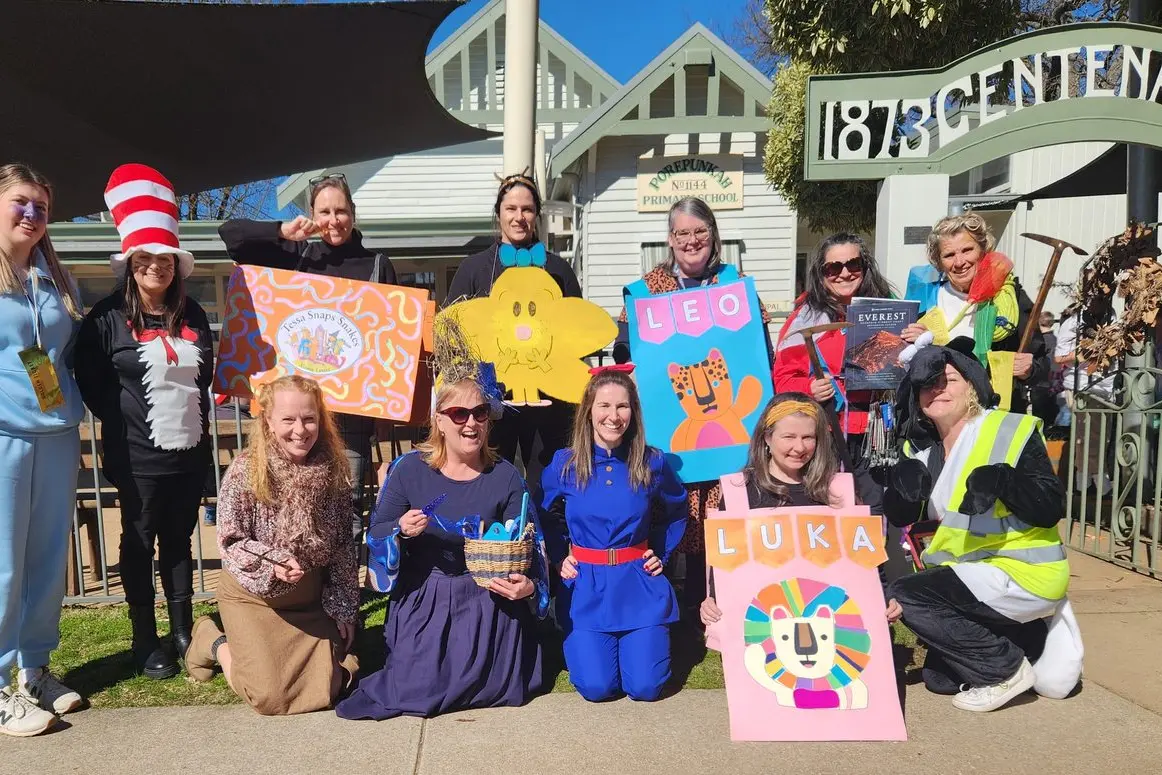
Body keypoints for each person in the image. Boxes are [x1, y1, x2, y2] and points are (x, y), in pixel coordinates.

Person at [884, 338, 1083, 712]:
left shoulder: (1009, 429)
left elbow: (1049, 508)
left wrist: (1005, 481)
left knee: (908, 594)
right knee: (939, 681)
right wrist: (900, 491)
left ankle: (1003, 670)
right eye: (927, 385)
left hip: (1026, 573)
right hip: (976, 577)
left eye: (949, 380)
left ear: (973, 385)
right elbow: (902, 518)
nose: (937, 391)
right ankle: (1028, 640)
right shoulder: (923, 451)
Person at [337, 374, 549, 721]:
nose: (471, 423)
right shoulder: (408, 471)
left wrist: (528, 587)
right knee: (415, 691)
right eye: (459, 414)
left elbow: (530, 543)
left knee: (502, 686)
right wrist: (399, 531)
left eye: (480, 413)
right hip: (427, 594)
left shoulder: (506, 476)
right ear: (439, 420)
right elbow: (376, 531)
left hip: (487, 596)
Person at [74, 164, 214, 680]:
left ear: (177, 266)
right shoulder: (106, 318)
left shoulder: (193, 315)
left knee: (180, 539)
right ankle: (143, 637)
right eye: (146, 259)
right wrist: (121, 420)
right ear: (130, 263)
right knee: (139, 541)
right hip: (136, 458)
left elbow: (205, 377)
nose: (157, 267)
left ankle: (181, 629)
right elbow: (89, 379)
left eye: (166, 259)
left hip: (188, 450)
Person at [610, 197, 774, 622]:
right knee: (673, 510)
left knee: (725, 513)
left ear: (713, 235)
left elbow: (758, 357)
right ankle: (674, 607)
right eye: (682, 233)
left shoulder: (733, 286)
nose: (692, 240)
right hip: (672, 428)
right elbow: (626, 355)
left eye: (700, 231)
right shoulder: (646, 291)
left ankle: (726, 604)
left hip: (731, 435)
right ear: (670, 239)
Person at [219, 174, 397, 538]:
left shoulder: (378, 265)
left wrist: (387, 413)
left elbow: (393, 342)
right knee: (296, 500)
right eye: (325, 211)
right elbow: (231, 235)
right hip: (296, 413)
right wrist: (284, 231)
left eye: (341, 210)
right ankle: (303, 585)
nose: (334, 219)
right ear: (313, 214)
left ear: (353, 213)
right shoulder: (295, 256)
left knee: (344, 503)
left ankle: (343, 588)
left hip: (352, 413)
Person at [184, 375, 359, 715]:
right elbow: (231, 539)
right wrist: (272, 560)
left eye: (309, 418)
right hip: (253, 596)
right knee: (271, 698)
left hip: (308, 597)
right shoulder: (247, 469)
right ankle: (212, 640)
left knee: (331, 686)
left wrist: (343, 608)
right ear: (268, 420)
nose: (300, 430)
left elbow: (341, 545)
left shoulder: (333, 470)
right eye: (288, 419)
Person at [540, 367, 687, 702]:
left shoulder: (651, 462)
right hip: (586, 585)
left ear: (633, 412)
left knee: (646, 688)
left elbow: (677, 511)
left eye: (622, 406)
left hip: (638, 583)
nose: (613, 416)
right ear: (588, 411)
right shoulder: (564, 464)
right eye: (604, 406)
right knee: (597, 688)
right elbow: (541, 513)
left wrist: (660, 553)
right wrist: (559, 555)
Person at [0, 163, 86, 736]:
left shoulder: (56, 281)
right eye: (20, 203)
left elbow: (63, 357)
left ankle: (35, 669)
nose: (32, 215)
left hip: (57, 435)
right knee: (4, 564)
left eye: (41, 208)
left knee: (48, 559)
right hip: (4, 437)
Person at [445, 173, 582, 497]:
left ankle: (549, 546)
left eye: (527, 209)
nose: (519, 217)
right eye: (511, 209)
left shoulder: (558, 269)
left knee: (549, 485)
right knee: (489, 481)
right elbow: (452, 333)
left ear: (537, 214)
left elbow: (576, 329)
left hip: (550, 401)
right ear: (499, 213)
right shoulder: (474, 269)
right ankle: (492, 547)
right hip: (490, 400)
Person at [698, 393, 884, 628]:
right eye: (789, 437)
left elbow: (863, 559)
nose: (799, 447)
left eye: (808, 437)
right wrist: (712, 599)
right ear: (767, 437)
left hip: (827, 619)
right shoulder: (740, 492)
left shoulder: (838, 491)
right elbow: (724, 564)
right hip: (764, 621)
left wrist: (883, 596)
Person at [902, 213, 1050, 416]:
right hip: (939, 419)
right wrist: (918, 345)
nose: (960, 261)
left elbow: (1041, 363)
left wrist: (1030, 369)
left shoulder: (1009, 297)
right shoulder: (926, 301)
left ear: (983, 250)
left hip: (995, 414)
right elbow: (904, 364)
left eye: (967, 250)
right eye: (949, 255)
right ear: (938, 261)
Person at [773, 232, 896, 462]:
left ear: (865, 267)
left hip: (878, 432)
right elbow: (783, 381)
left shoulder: (889, 309)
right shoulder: (804, 319)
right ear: (821, 273)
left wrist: (914, 342)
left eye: (853, 264)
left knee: (874, 499)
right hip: (827, 431)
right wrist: (811, 388)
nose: (845, 273)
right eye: (834, 268)